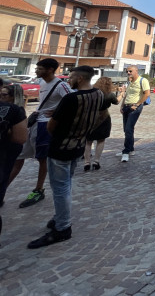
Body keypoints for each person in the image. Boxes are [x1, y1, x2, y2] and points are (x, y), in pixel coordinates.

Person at [28, 66, 103, 248]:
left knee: (60, 187)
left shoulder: (71, 98)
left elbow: (51, 126)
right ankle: (60, 217)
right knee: (66, 184)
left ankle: (62, 228)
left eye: (71, 76)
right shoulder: (98, 94)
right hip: (78, 146)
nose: (69, 79)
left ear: (79, 78)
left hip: (61, 147)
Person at [10, 58, 72, 208]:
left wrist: (57, 112)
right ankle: (3, 186)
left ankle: (38, 189)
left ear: (50, 69)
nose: (36, 71)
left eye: (40, 68)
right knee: (19, 155)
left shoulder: (60, 85)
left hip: (45, 125)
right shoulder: (43, 82)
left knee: (42, 158)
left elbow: (72, 101)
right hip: (35, 122)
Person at [0, 86, 27, 219]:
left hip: (7, 151)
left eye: (4, 95)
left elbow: (20, 137)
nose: (1, 97)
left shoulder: (16, 110)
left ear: (12, 97)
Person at [83, 77, 118, 171]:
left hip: (90, 118)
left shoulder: (91, 92)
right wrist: (122, 93)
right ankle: (96, 161)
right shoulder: (109, 94)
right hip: (104, 117)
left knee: (88, 141)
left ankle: (86, 162)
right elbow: (116, 102)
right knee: (101, 140)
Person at [120, 65, 150, 162]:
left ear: (136, 71)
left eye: (130, 71)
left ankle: (126, 151)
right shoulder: (130, 82)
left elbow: (147, 94)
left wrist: (137, 104)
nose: (128, 73)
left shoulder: (143, 81)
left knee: (129, 128)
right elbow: (127, 95)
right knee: (126, 129)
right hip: (126, 107)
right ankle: (131, 148)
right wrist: (122, 106)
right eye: (127, 71)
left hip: (135, 107)